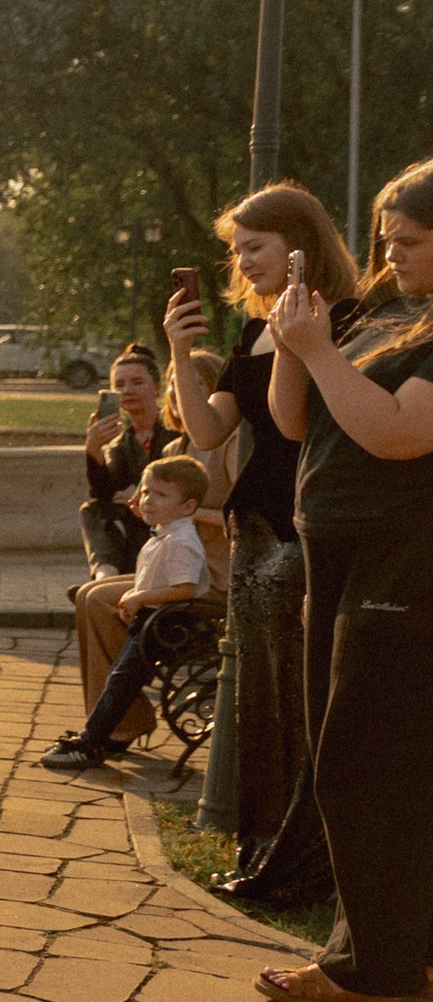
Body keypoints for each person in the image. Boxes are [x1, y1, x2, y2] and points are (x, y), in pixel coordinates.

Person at [252, 162, 433, 1002]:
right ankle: (402, 953)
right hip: (340, 552)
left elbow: (399, 436)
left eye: (411, 241)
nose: (391, 255)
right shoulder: (388, 315)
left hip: (404, 559)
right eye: (386, 240)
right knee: (365, 758)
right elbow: (296, 422)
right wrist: (296, 343)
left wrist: (322, 351)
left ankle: (374, 969)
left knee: (360, 763)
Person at [161, 184, 360, 893]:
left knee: (300, 695)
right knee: (258, 696)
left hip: (305, 525)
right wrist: (181, 353)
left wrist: (296, 328)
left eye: (255, 247)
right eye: (236, 250)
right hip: (254, 526)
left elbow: (298, 423)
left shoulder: (342, 319)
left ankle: (305, 859)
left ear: (300, 245)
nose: (242, 262)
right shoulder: (254, 330)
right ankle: (263, 844)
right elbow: (206, 433)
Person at [39, 456, 212, 770]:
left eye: (160, 495)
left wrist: (140, 597)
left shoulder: (181, 541)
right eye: (146, 492)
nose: (146, 500)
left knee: (121, 681)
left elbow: (185, 589)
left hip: (165, 625)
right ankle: (98, 736)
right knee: (119, 677)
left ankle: (90, 743)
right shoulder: (167, 532)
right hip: (152, 617)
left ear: (187, 507)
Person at [79, 344, 182, 578]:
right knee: (92, 510)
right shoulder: (123, 443)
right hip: (138, 531)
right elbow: (105, 495)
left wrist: (139, 494)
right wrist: (94, 450)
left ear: (156, 388)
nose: (127, 390)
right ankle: (105, 574)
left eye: (137, 383)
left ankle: (106, 581)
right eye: (120, 385)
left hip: (173, 525)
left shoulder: (176, 431)